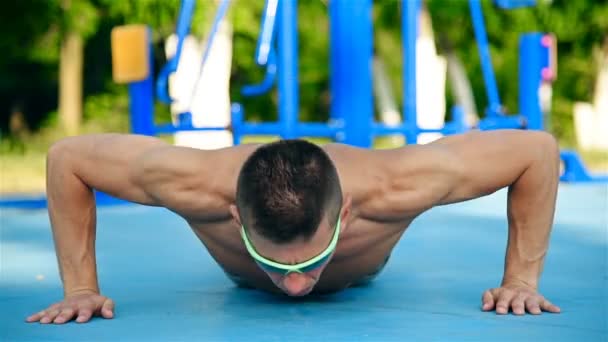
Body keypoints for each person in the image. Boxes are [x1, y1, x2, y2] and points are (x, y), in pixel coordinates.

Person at [26, 129, 562, 324]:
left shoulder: (402, 183)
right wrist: (80, 288)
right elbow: (68, 158)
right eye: (275, 264)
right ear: (235, 218)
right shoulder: (190, 182)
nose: (297, 285)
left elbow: (536, 152)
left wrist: (521, 280)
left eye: (310, 260)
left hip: (365, 266)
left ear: (344, 214)